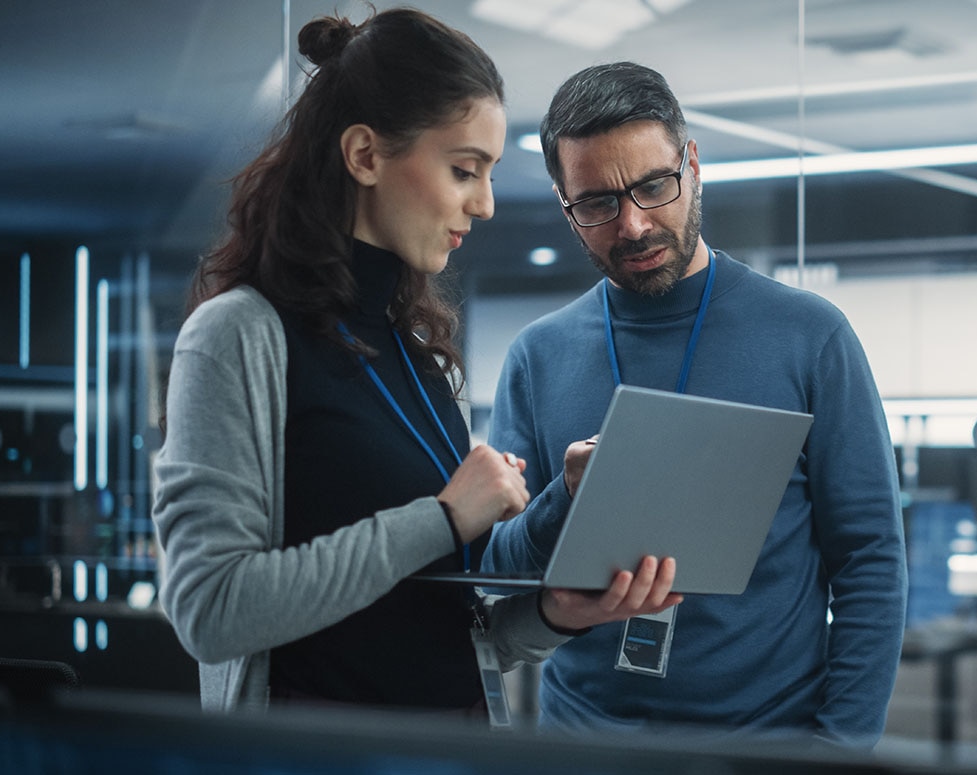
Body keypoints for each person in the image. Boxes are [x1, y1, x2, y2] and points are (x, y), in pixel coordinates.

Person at [152, 11, 679, 717]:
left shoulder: (424, 358)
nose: (486, 203)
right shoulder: (238, 337)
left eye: (488, 174)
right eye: (465, 170)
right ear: (365, 155)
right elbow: (210, 610)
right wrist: (440, 518)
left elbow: (452, 627)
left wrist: (556, 611)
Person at [481, 61, 907, 748]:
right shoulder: (539, 356)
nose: (634, 224)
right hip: (585, 748)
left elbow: (871, 560)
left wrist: (841, 750)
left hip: (768, 746)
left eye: (654, 185)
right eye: (596, 203)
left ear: (693, 165)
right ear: (564, 203)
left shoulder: (809, 336)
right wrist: (566, 495)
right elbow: (500, 568)